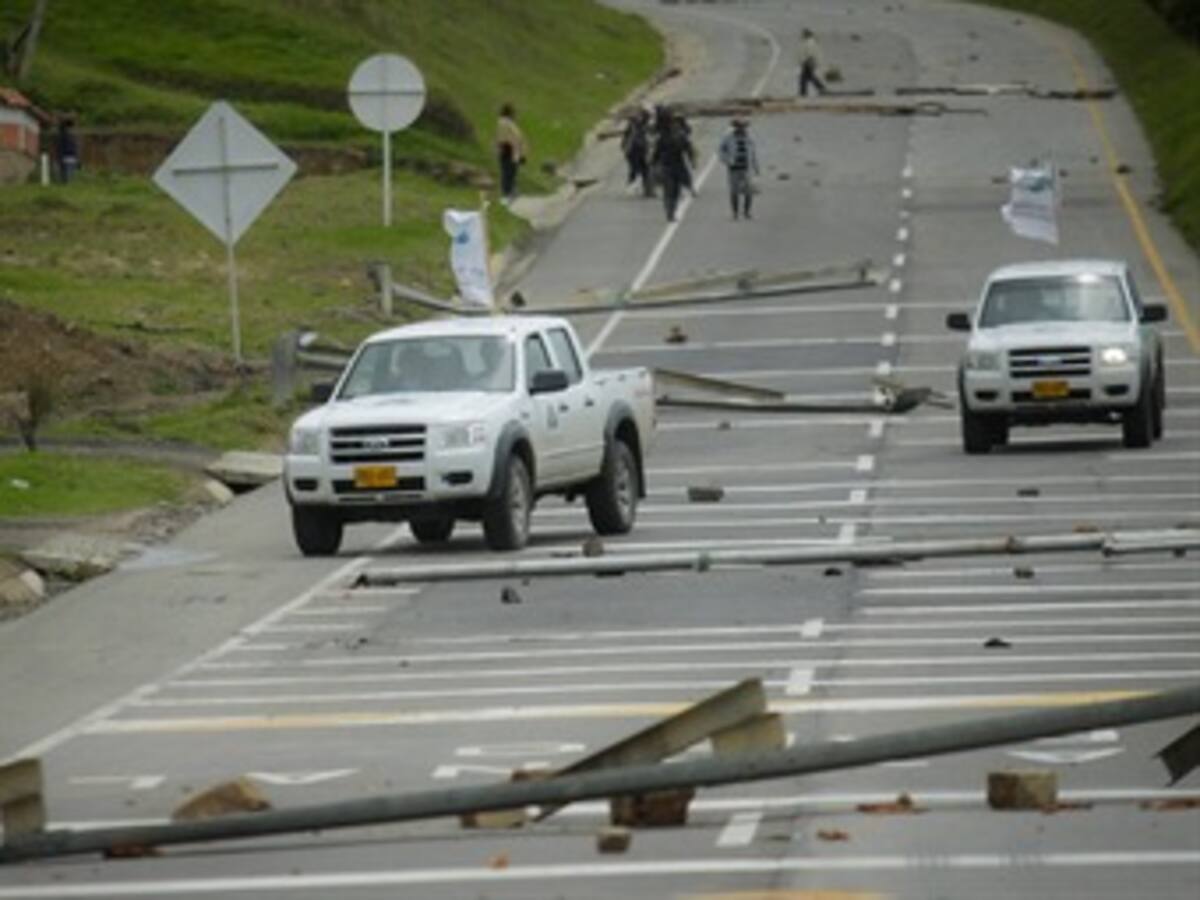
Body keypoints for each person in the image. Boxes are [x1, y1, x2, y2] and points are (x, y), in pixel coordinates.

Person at [650, 107, 693, 222]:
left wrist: (691, 157)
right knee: (670, 190)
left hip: (675, 164)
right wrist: (654, 162)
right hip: (667, 165)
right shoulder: (664, 136)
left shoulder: (677, 134)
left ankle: (671, 210)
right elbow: (657, 151)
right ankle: (670, 212)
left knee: (674, 190)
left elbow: (687, 147)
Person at [718, 117, 760, 220]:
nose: (741, 129)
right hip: (733, 169)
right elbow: (721, 151)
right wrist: (727, 160)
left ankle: (747, 212)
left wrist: (756, 168)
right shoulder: (728, 138)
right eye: (739, 127)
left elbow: (753, 154)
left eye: (743, 127)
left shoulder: (749, 138)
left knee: (748, 191)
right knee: (734, 191)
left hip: (746, 168)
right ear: (735, 127)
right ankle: (735, 213)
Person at [495, 103, 527, 204]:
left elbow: (516, 138)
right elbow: (507, 138)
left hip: (512, 151)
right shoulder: (504, 122)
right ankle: (506, 195)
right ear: (509, 113)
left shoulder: (509, 123)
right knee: (508, 172)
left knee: (511, 172)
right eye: (514, 112)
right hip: (508, 150)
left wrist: (521, 153)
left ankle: (510, 192)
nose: (515, 115)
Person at [621, 107, 654, 197]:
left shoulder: (640, 125)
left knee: (644, 170)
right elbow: (634, 140)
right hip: (635, 151)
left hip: (637, 150)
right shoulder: (636, 126)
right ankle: (635, 187)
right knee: (638, 169)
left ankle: (648, 190)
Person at [799, 28, 825, 97]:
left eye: (804, 34)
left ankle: (804, 92)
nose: (802, 35)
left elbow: (810, 53)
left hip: (808, 62)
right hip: (809, 61)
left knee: (805, 77)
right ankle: (820, 88)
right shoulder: (810, 41)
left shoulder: (810, 42)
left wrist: (808, 62)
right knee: (808, 77)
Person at [55, 115, 79, 183]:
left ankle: (67, 184)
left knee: (69, 175)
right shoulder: (65, 136)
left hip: (69, 156)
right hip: (66, 156)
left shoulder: (68, 136)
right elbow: (62, 147)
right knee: (68, 175)